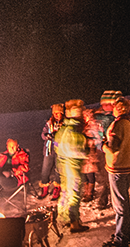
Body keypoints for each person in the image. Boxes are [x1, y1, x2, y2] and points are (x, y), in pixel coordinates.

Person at [102, 97, 130, 247]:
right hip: (128, 165)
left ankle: (121, 239)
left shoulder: (117, 125)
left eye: (114, 106)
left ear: (118, 108)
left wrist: (103, 145)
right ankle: (125, 234)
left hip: (117, 167)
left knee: (119, 204)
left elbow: (112, 147)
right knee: (124, 201)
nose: (112, 109)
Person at [54, 99, 90, 233]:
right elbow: (81, 152)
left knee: (65, 192)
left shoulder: (62, 130)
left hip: (62, 166)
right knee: (74, 194)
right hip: (72, 167)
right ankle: (74, 223)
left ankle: (63, 219)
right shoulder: (75, 133)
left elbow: (56, 147)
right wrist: (87, 147)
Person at [92, 90, 121, 210]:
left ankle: (106, 200)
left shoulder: (105, 117)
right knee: (106, 176)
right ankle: (105, 200)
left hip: (106, 149)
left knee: (109, 176)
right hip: (103, 149)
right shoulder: (105, 117)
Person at [39, 103, 65, 200]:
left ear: (62, 113)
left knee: (58, 171)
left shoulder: (65, 123)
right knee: (45, 170)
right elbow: (43, 134)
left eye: (58, 113)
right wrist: (47, 136)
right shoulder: (49, 123)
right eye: (55, 113)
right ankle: (44, 189)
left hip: (60, 151)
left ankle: (56, 189)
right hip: (49, 150)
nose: (56, 115)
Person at [81, 107, 104, 203]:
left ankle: (90, 193)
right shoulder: (84, 125)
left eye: (85, 116)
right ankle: (86, 191)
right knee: (84, 174)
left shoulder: (94, 125)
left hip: (90, 153)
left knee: (90, 174)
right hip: (83, 153)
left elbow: (98, 138)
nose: (84, 117)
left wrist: (89, 141)